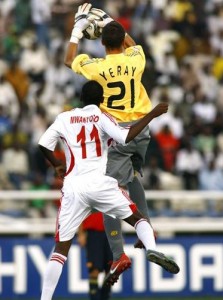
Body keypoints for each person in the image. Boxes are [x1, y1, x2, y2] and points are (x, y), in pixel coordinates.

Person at [38, 80, 179, 300]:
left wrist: (56, 164)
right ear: (102, 100)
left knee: (60, 251)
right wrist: (151, 115)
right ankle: (152, 248)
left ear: (81, 99)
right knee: (138, 218)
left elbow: (43, 144)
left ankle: (44, 299)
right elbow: (125, 137)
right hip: (100, 184)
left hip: (74, 187)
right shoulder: (103, 117)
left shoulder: (64, 118)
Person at [64, 3, 157, 285]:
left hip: (117, 134)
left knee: (108, 194)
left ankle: (118, 254)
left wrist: (76, 33)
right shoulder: (135, 59)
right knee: (134, 176)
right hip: (142, 131)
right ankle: (146, 228)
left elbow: (69, 60)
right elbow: (132, 43)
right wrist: (110, 22)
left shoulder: (97, 67)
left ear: (101, 43)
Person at [77, 212, 112, 300]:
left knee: (111, 271)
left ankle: (104, 297)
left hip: (111, 232)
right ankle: (94, 298)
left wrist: (119, 236)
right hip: (93, 233)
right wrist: (81, 233)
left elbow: (117, 211)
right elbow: (80, 211)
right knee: (94, 270)